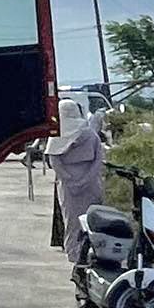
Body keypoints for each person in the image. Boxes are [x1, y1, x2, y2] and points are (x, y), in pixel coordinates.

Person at [49, 98, 108, 266]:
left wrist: (70, 179)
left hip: (69, 185)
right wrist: (86, 178)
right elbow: (98, 160)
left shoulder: (57, 135)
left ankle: (75, 254)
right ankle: (91, 252)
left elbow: (54, 160)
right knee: (91, 219)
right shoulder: (89, 133)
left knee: (73, 221)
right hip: (90, 182)